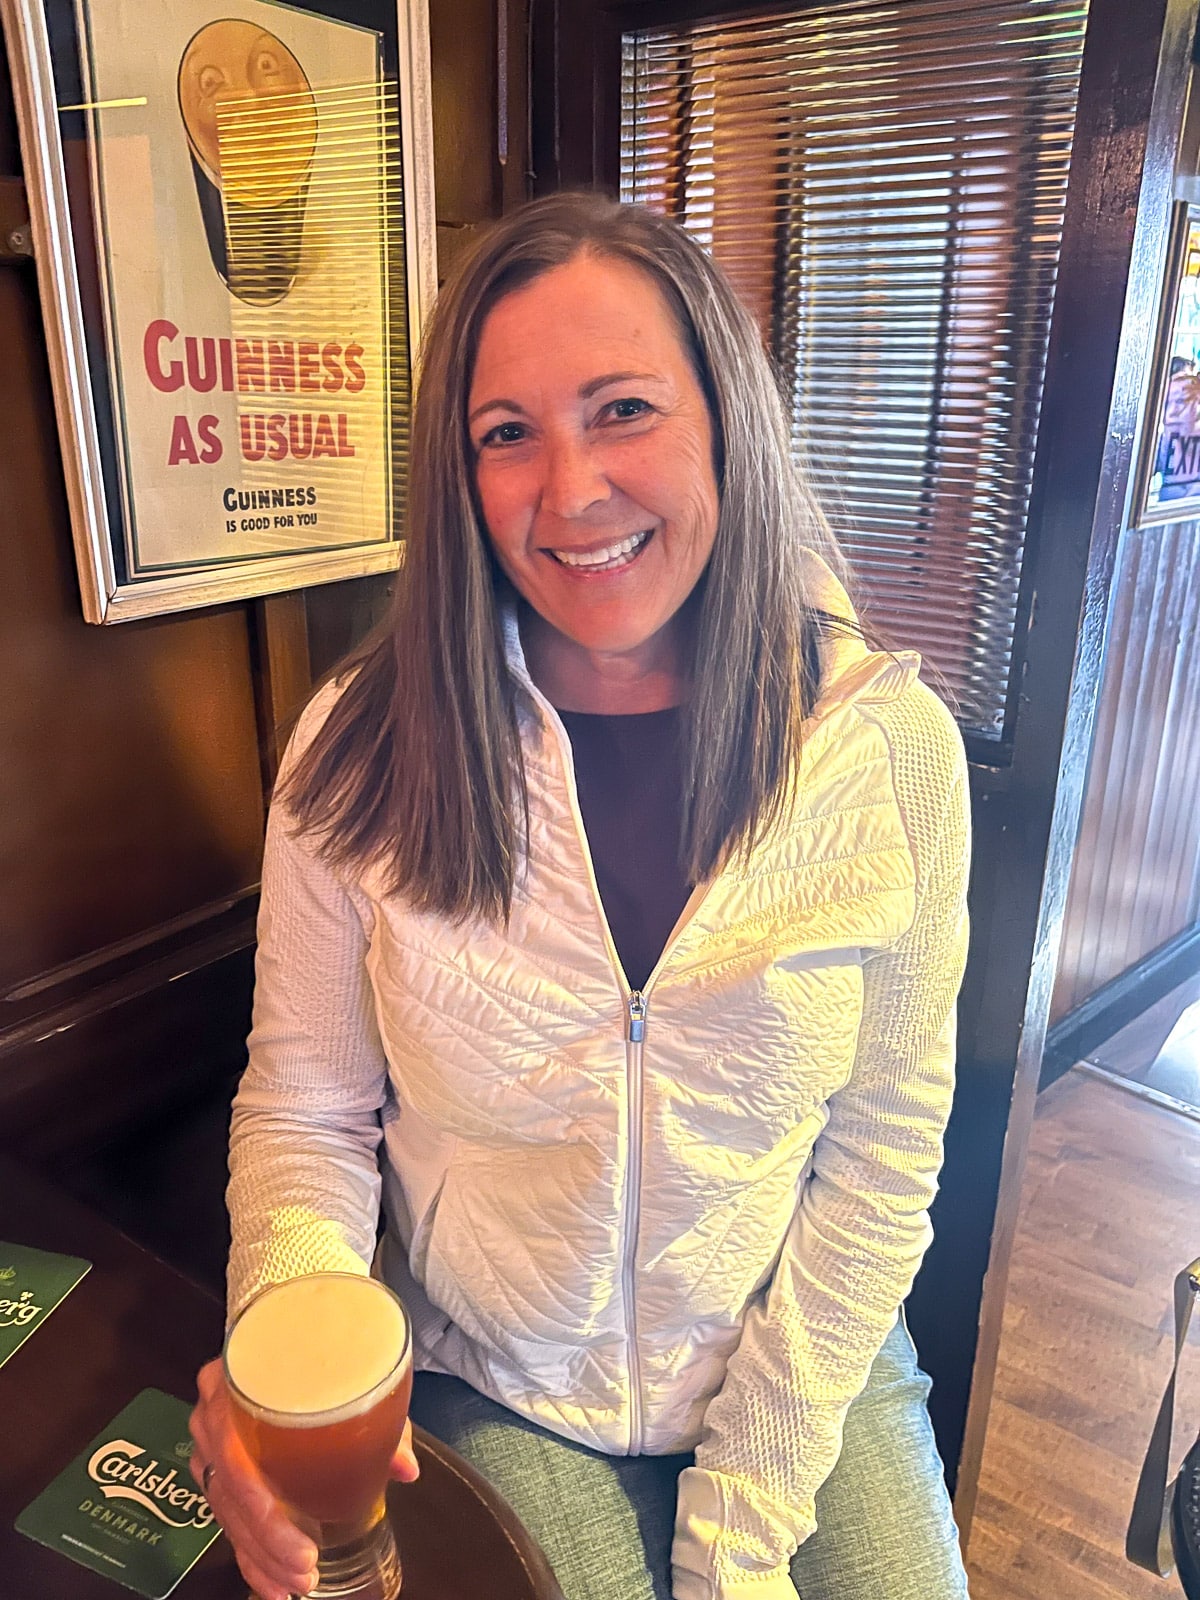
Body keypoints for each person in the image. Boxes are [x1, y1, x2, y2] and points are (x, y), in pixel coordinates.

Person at [188, 192, 972, 1600]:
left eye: (623, 411)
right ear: (458, 474)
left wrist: (741, 1526)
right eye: (507, 435)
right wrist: (295, 1342)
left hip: (804, 1358)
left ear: (725, 421)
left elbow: (883, 1152)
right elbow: (305, 1109)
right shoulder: (356, 750)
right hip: (504, 1378)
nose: (572, 491)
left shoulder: (886, 749)